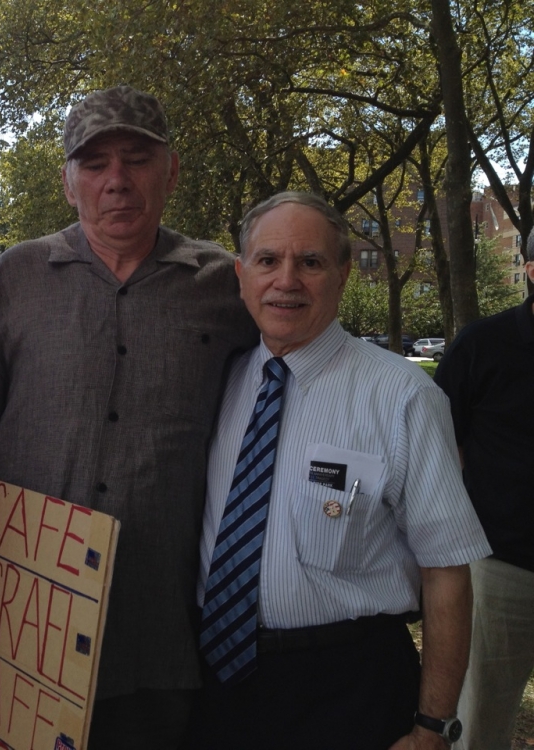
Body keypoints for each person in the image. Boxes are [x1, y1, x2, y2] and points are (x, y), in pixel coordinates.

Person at [0, 84, 258, 749]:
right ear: (68, 180)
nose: (117, 181)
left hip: (158, 628)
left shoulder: (227, 287)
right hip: (18, 625)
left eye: (136, 158)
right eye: (95, 164)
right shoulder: (17, 277)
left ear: (172, 170)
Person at [192, 191, 491, 750]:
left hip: (349, 691)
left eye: (310, 262)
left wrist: (432, 725)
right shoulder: (221, 380)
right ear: (240, 275)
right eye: (267, 261)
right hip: (215, 687)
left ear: (344, 272)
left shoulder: (403, 397)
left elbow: (446, 570)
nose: (287, 280)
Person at [434, 233, 534, 750]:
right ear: (530, 268)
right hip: (502, 568)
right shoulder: (483, 345)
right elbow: (440, 440)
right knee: (481, 720)